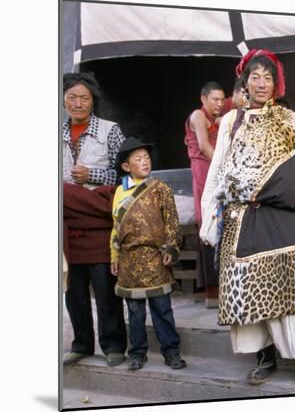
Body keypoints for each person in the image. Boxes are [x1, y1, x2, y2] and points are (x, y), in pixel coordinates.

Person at [200, 49, 295, 387]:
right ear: (245, 82)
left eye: (267, 77)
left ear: (276, 83)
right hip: (242, 218)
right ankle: (264, 355)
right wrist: (209, 211)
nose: (261, 83)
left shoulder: (290, 121)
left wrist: (267, 187)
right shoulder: (232, 122)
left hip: (282, 218)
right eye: (255, 77)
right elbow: (219, 168)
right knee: (248, 289)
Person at [62, 72, 127, 367]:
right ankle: (81, 344)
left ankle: (113, 345)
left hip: (99, 224)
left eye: (84, 98)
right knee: (73, 291)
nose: (78, 103)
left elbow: (127, 176)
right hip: (66, 228)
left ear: (93, 101)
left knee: (105, 289)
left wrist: (93, 176)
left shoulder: (110, 131)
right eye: (72, 97)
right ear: (64, 101)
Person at [110, 137, 186, 371]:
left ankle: (171, 352)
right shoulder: (119, 192)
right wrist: (114, 256)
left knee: (162, 309)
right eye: (138, 159)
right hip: (129, 261)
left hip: (155, 258)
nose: (145, 162)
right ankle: (137, 353)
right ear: (126, 166)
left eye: (147, 158)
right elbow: (116, 226)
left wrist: (171, 248)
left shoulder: (161, 189)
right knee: (134, 313)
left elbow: (172, 222)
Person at [185, 82, 225, 307]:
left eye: (221, 100)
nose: (219, 104)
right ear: (203, 99)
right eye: (214, 100)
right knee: (209, 226)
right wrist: (226, 166)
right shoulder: (198, 115)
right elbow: (203, 146)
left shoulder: (220, 118)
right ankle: (212, 292)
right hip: (205, 177)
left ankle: (224, 288)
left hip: (218, 175)